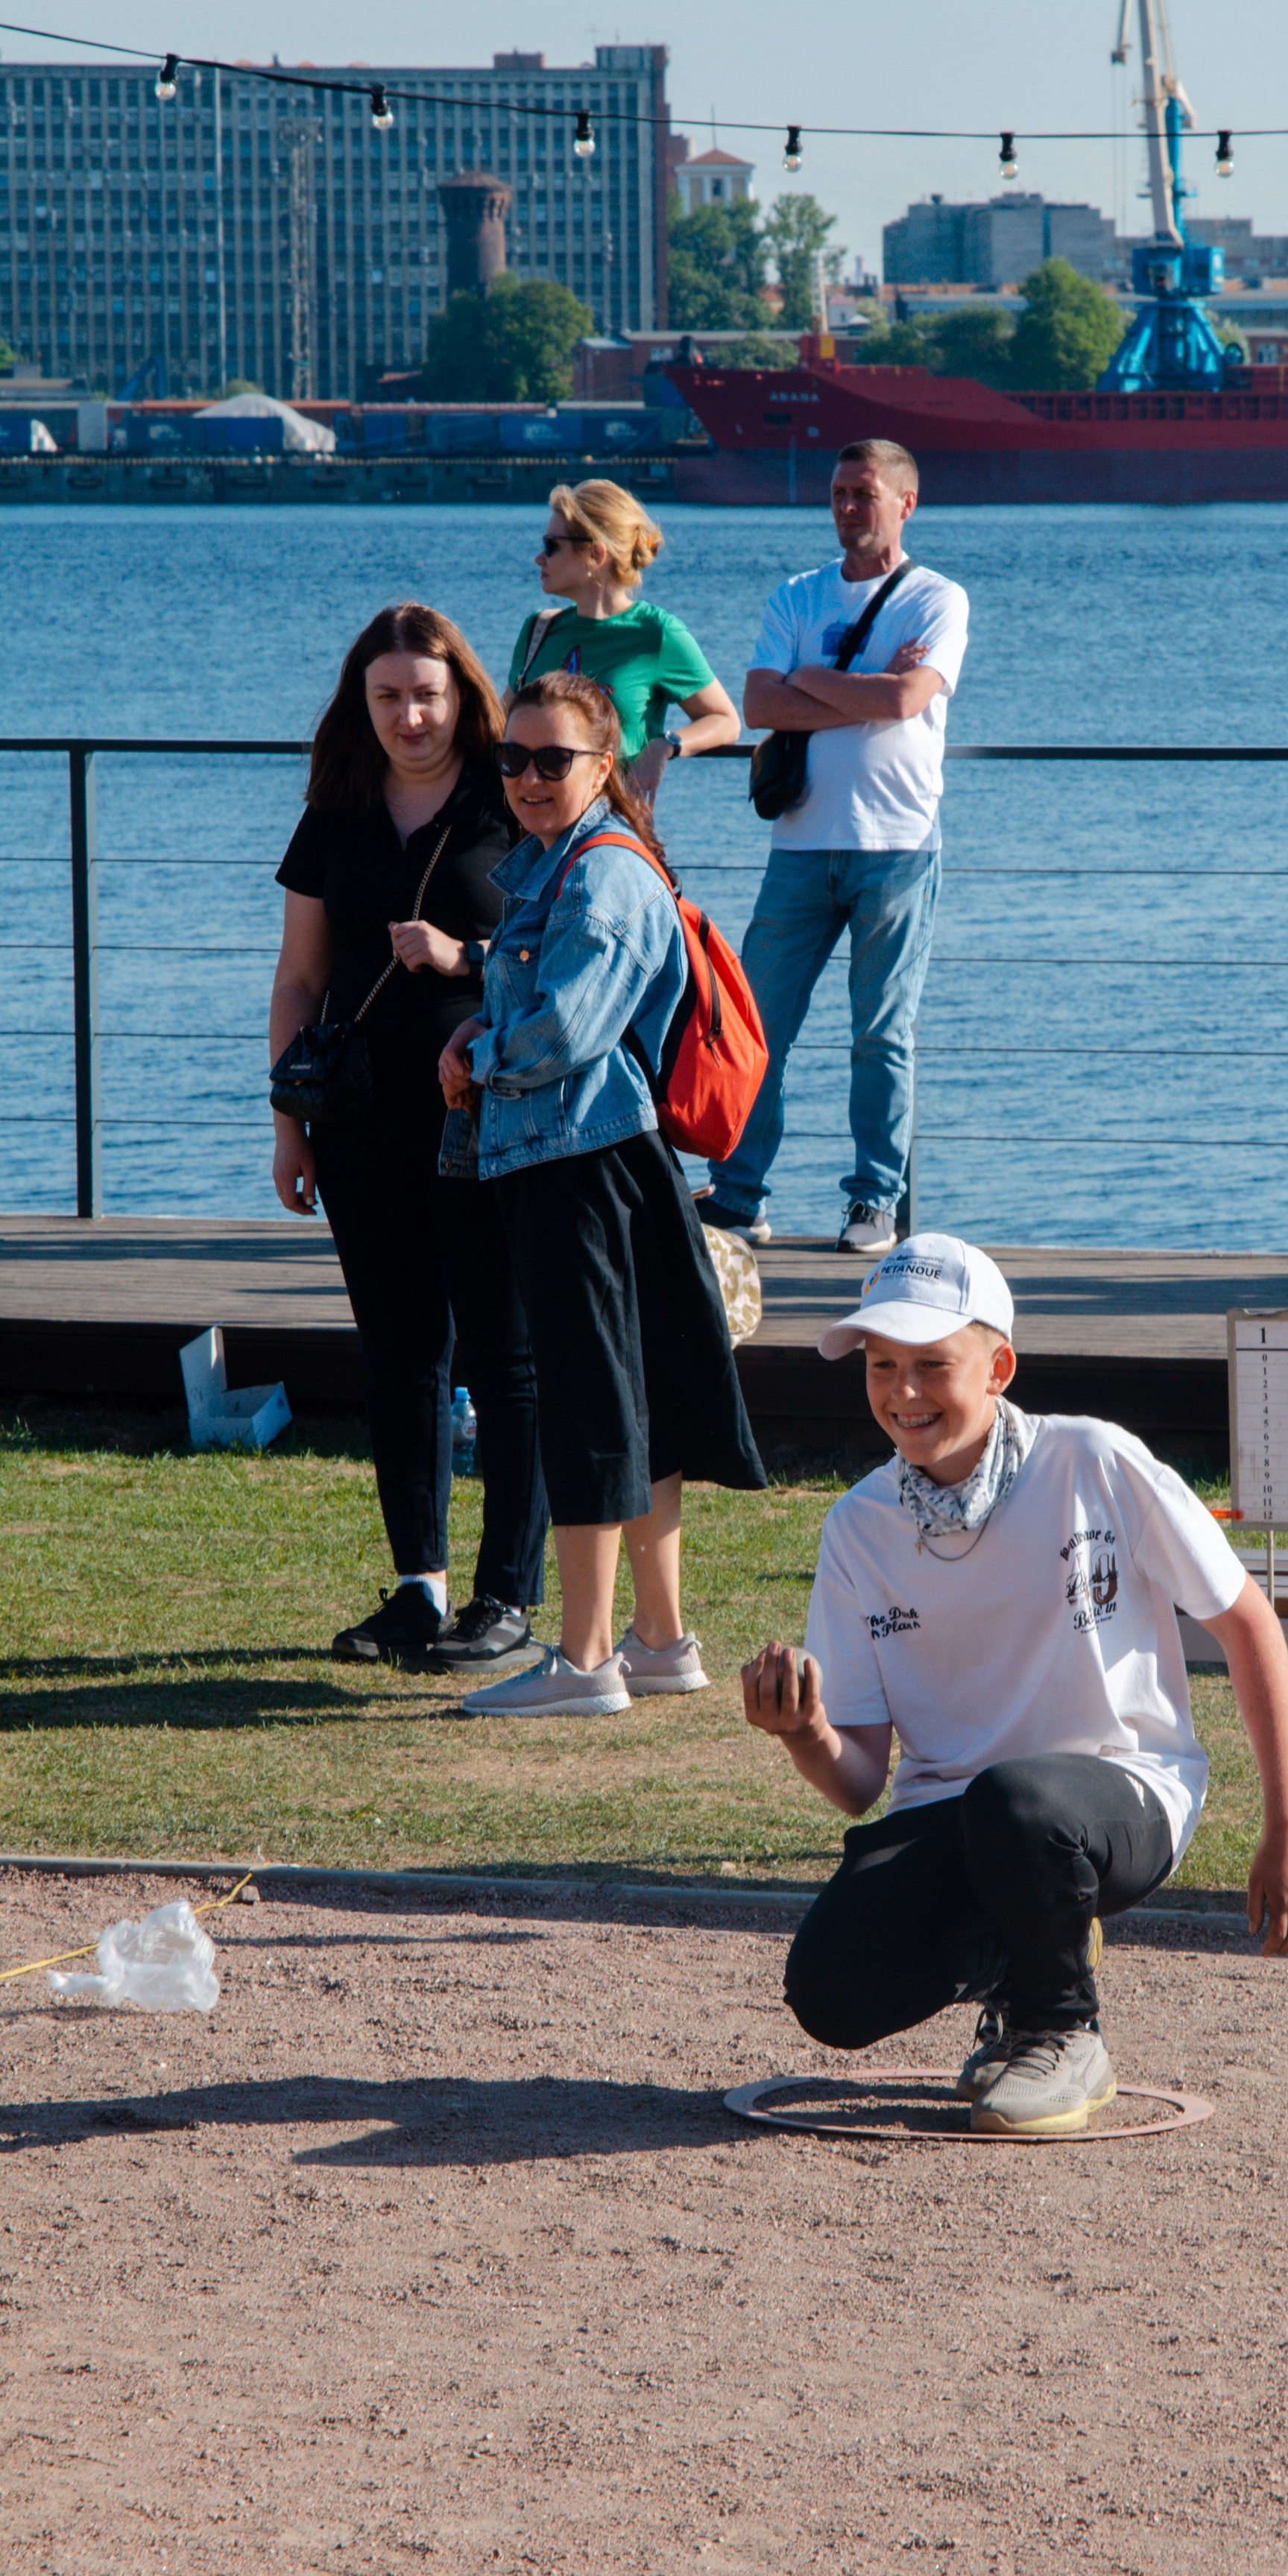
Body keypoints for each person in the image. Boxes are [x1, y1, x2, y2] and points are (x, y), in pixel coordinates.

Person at [740, 1234, 1288, 2136]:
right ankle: (1027, 1951)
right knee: (830, 1988)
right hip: (967, 1817)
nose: (902, 1391)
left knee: (1017, 1802)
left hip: (1124, 1793)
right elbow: (860, 1783)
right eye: (880, 1363)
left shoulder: (1094, 1459)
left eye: (933, 1364)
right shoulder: (855, 1527)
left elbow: (1247, 1621)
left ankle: (1062, 2034)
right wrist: (803, 1730)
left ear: (999, 1366)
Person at [438, 670, 767, 1717]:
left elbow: (571, 1030)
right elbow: (547, 997)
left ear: (605, 765)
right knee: (638, 1401)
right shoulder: (551, 864)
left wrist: (481, 1052)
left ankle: (583, 1663)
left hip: (584, 1166)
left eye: (553, 761)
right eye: (512, 759)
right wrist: (481, 1019)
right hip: (596, 1161)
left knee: (589, 1404)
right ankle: (660, 1641)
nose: (528, 779)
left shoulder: (603, 875)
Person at [270, 602, 549, 1670]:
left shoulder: (508, 799)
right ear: (362, 702)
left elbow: (563, 946)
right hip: (356, 1125)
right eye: (387, 696)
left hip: (489, 1120)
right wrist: (289, 1124)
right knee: (400, 1357)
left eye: (426, 694)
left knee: (504, 1352)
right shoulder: (334, 812)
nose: (409, 716)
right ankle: (418, 1590)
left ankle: (507, 1595)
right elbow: (299, 977)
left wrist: (463, 955)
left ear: (461, 695)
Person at [699, 438, 969, 1258]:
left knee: (880, 1033)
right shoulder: (797, 593)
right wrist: (857, 687)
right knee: (757, 1026)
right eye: (838, 492)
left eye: (863, 492)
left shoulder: (937, 598)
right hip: (800, 845)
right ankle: (740, 1194)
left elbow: (906, 698)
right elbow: (755, 700)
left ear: (905, 502)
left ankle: (874, 1202)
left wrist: (807, 680)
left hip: (897, 844)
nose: (847, 507)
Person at [508, 479, 739, 795]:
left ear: (595, 553)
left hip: (614, 830)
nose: (539, 558)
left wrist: (665, 745)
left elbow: (725, 720)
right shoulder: (537, 631)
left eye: (551, 545)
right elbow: (500, 727)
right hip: (531, 833)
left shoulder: (657, 633)